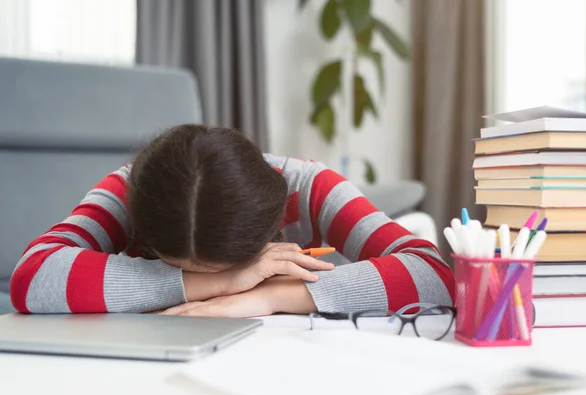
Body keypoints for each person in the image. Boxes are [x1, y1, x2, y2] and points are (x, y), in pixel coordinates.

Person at [10, 125, 454, 317]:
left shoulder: (310, 187)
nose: (221, 282)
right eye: (176, 265)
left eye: (231, 268)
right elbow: (32, 276)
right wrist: (222, 284)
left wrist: (270, 297)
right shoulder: (129, 190)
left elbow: (433, 273)